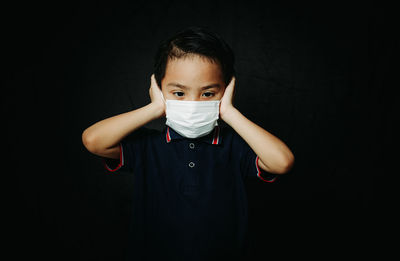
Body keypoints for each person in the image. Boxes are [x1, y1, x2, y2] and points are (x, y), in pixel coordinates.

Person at [82, 26, 294, 261]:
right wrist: (154, 108)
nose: (193, 103)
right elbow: (93, 141)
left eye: (207, 94)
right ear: (159, 89)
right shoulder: (146, 147)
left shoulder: (236, 147)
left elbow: (282, 162)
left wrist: (230, 113)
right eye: (179, 94)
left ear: (226, 91)